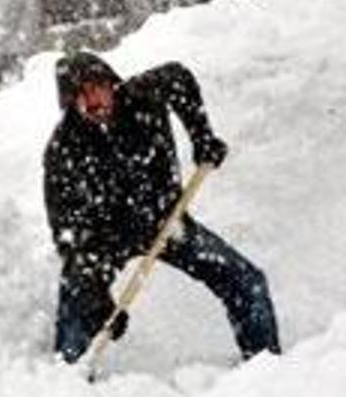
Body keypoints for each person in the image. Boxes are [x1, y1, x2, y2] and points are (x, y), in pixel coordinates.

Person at [43, 51, 281, 364]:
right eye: (79, 96)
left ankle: (266, 368)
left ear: (111, 83)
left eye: (95, 87)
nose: (92, 101)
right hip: (104, 242)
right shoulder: (64, 150)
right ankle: (64, 385)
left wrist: (201, 136)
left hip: (166, 223)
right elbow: (68, 232)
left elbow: (179, 76)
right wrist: (97, 298)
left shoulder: (145, 95)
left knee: (246, 282)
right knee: (78, 305)